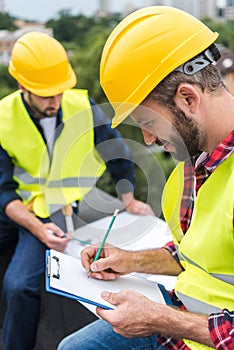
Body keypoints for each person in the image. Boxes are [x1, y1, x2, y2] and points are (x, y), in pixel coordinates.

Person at [57, 6, 234, 350]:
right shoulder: (192, 164)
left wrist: (159, 319)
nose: (149, 140)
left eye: (149, 124)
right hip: (181, 318)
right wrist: (130, 260)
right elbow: (195, 255)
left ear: (188, 98)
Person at [0, 31, 154, 350]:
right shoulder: (3, 118)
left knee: (18, 285)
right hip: (25, 210)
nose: (55, 102)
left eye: (60, 91)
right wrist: (38, 229)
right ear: (22, 86)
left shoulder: (80, 103)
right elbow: (4, 193)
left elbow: (115, 149)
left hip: (64, 209)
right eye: (46, 95)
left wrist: (129, 198)